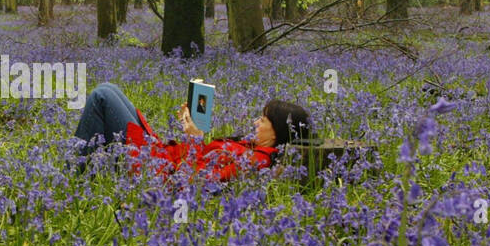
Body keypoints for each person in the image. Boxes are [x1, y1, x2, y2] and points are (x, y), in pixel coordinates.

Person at [71, 82, 312, 181]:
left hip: (157, 172)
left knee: (102, 95)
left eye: (263, 119)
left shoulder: (257, 161)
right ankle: (88, 169)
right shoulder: (252, 148)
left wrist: (195, 139)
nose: (255, 122)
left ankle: (73, 176)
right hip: (162, 156)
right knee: (109, 88)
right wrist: (192, 127)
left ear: (278, 130)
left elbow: (199, 184)